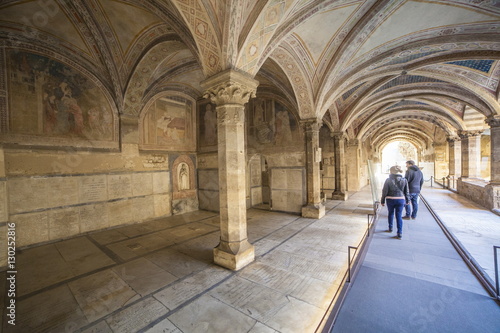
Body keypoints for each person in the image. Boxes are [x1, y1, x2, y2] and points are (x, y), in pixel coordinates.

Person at [381, 165, 410, 239]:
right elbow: (406, 191)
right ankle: (399, 232)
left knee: (390, 213)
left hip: (390, 199)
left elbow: (384, 191)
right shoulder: (404, 180)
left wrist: (382, 200)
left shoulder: (388, 180)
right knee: (399, 216)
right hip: (400, 199)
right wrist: (408, 200)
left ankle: (390, 228)